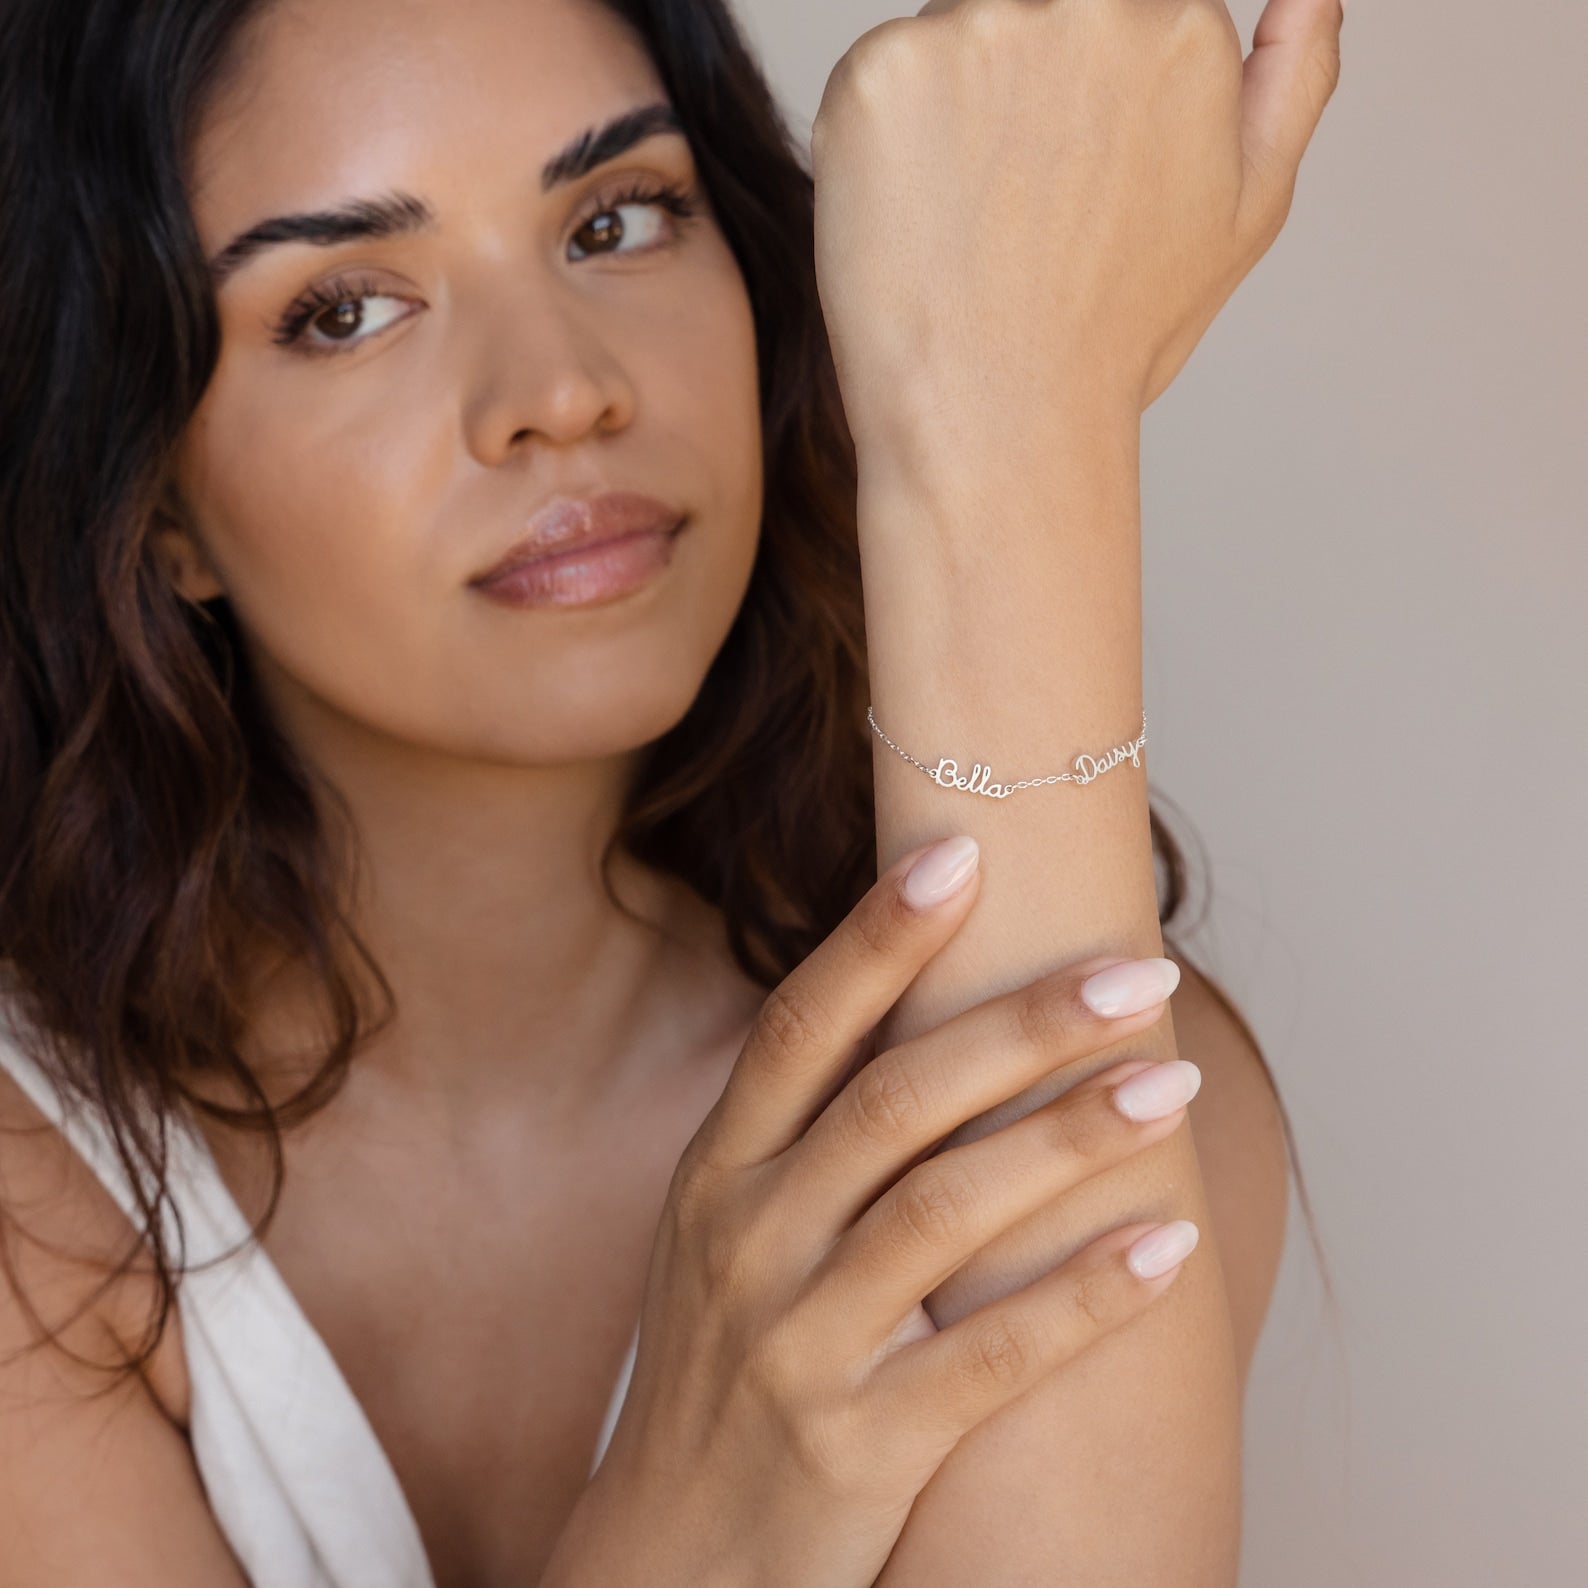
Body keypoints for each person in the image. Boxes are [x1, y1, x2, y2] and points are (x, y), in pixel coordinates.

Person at [0, 0, 1342, 1582]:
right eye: (346, 307)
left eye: (617, 218)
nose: (562, 391)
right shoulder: (34, 1195)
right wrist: (691, 1515)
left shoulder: (1117, 1093)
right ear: (157, 503)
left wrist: (1005, 425)